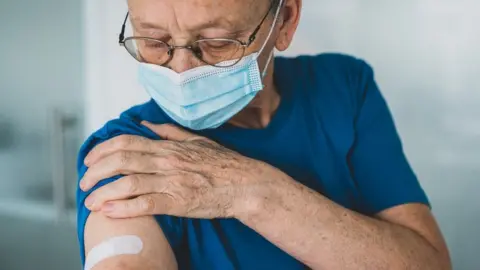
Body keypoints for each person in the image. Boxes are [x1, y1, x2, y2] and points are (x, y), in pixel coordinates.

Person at [76, 0, 452, 269]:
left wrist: (251, 192)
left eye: (216, 42)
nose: (181, 70)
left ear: (285, 20)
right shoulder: (129, 153)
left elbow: (429, 263)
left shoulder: (343, 88)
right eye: (154, 41)